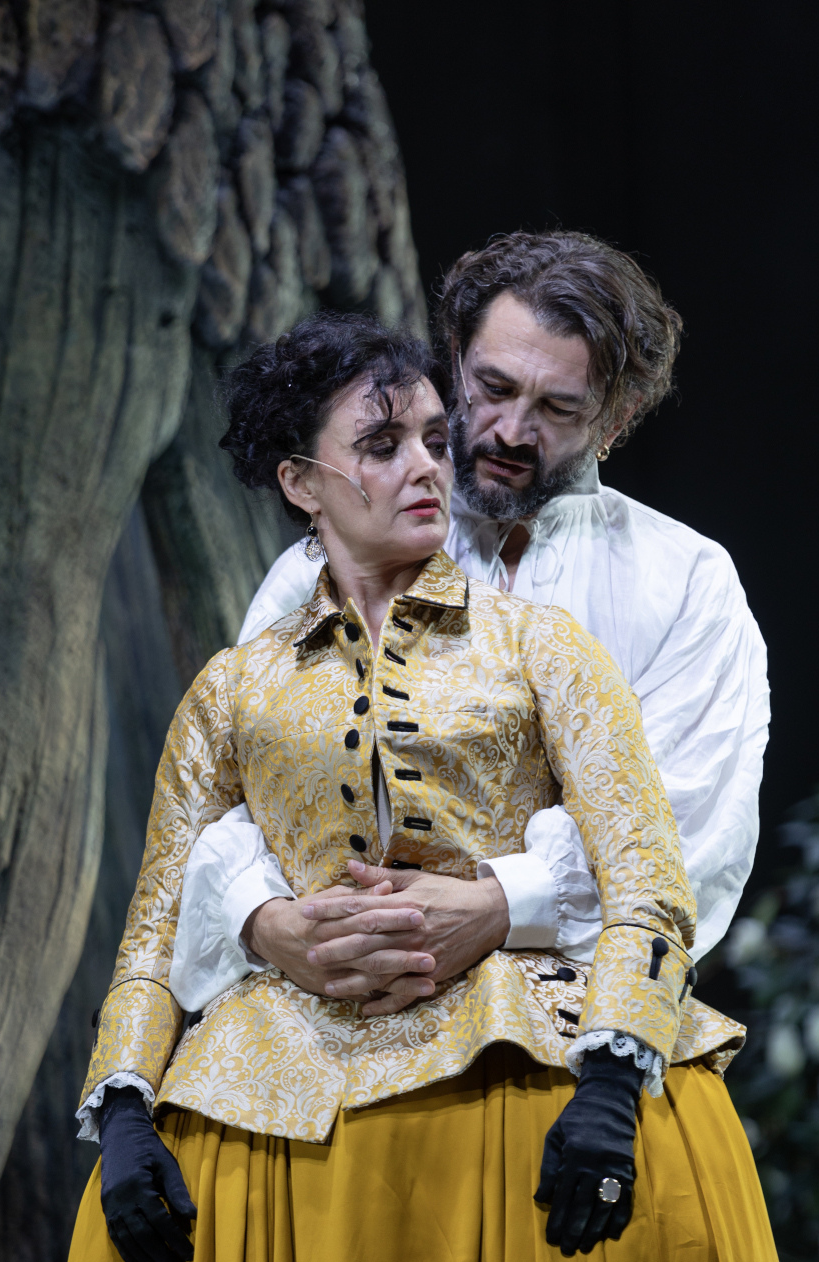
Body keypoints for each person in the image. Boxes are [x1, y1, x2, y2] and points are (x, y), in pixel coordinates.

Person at [44, 313, 819, 1262]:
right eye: (382, 444)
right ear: (301, 483)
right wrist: (124, 1109)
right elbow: (158, 917)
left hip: (515, 1082)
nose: (428, 465)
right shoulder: (232, 688)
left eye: (428, 438)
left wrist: (613, 1079)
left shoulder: (544, 644)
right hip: (280, 1109)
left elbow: (649, 877)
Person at [167, 230, 770, 1026]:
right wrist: (266, 921)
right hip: (323, 1018)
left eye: (557, 407)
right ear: (454, 360)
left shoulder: (684, 581)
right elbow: (226, 796)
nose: (510, 432)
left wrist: (501, 905)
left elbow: (692, 826)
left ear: (617, 417)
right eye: (492, 387)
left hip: (572, 1028)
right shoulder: (324, 563)